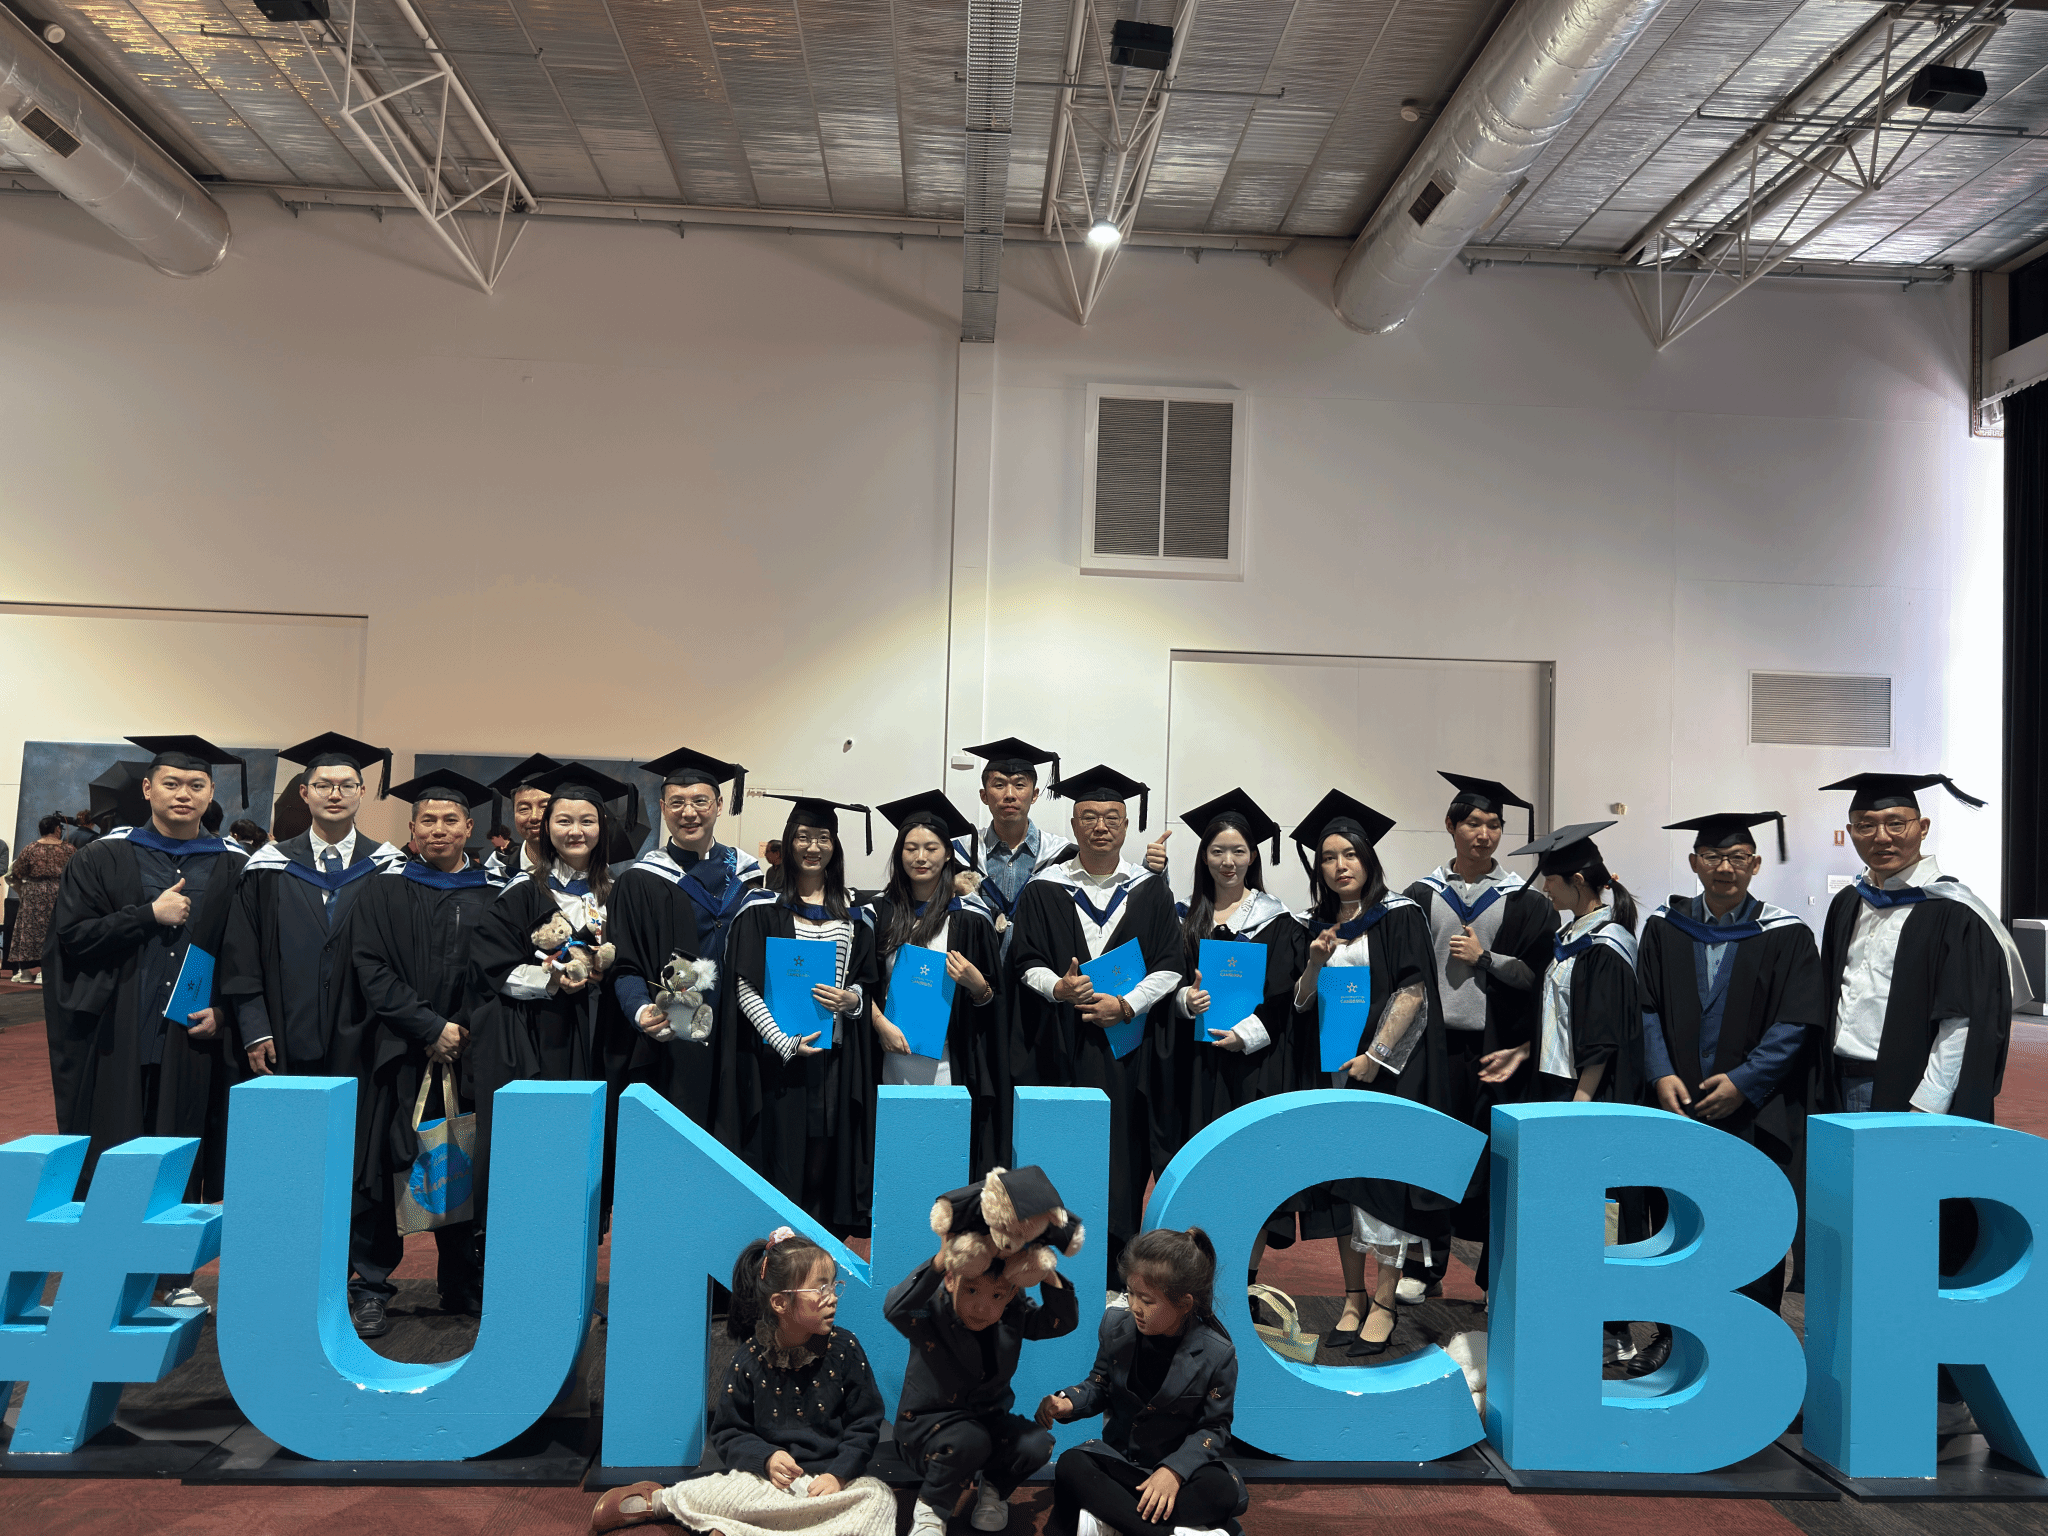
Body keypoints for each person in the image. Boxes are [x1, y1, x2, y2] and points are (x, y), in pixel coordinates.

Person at [1813, 773, 2030, 1431]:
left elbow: (1962, 1024)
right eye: (1866, 825)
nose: (1881, 836)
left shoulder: (1953, 912)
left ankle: (1941, 1393)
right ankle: (1868, 1372)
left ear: (1921, 828)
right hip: (1847, 1088)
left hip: (1910, 1099)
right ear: (1851, 832)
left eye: (1895, 823)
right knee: (1861, 1236)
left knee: (1925, 1236)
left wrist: (1923, 1113)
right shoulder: (1847, 904)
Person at [42, 735, 251, 1233]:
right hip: (120, 1031)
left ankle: (173, 1268)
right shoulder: (101, 857)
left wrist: (225, 1011)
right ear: (147, 788)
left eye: (196, 785)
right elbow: (72, 937)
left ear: (211, 792)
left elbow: (249, 954)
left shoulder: (236, 865)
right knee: (114, 1151)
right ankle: (108, 1255)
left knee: (181, 1152)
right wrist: (147, 915)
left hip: (192, 1038)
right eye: (171, 783)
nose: (183, 794)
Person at [331, 768, 503, 1335]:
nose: (438, 829)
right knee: (387, 1166)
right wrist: (429, 1027)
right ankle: (371, 1284)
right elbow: (369, 966)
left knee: (460, 1158)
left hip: (469, 1054)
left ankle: (462, 1279)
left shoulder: (493, 894)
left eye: (450, 820)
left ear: (469, 828)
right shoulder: (383, 890)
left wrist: (464, 1029)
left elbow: (502, 972)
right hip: (399, 1053)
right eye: (427, 820)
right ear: (412, 828)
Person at [590, 1227, 896, 1536]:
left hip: (832, 1487)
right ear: (780, 1303)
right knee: (727, 1490)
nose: (832, 1298)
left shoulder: (845, 1349)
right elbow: (729, 1433)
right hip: (770, 1487)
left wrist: (838, 1475)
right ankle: (661, 1501)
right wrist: (766, 1458)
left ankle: (739, 1529)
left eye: (833, 1286)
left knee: (878, 1498)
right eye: (820, 1289)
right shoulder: (750, 1360)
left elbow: (865, 1423)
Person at [1639, 811, 1822, 1315]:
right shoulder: (1664, 928)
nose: (1725, 868)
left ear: (1755, 864)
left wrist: (1745, 1081)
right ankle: (1673, 1333)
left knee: (1749, 1221)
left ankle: (1751, 1331)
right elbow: (1645, 1007)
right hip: (1678, 1105)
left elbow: (1797, 1020)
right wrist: (1660, 1072)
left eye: (1738, 858)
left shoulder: (1786, 934)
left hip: (1753, 1112)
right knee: (1678, 1220)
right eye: (1714, 857)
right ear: (1694, 862)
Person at [1486, 821, 1650, 1367]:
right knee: (1566, 1212)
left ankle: (1613, 1332)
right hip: (1560, 1087)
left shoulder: (1608, 945)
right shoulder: (1573, 935)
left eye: (1550, 881)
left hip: (1589, 1099)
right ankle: (1570, 1321)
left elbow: (1602, 1038)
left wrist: (1581, 1104)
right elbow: (1565, 1019)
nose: (1544, 890)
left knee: (1599, 1211)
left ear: (1577, 881)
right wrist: (1524, 1052)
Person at [1008, 765, 1182, 1264]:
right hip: (1059, 1046)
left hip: (1126, 1050)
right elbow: (1025, 962)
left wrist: (1126, 1005)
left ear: (1125, 826)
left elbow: (1170, 964)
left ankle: (1114, 1266)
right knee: (1058, 1150)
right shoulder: (1045, 888)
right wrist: (1058, 987)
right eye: (1088, 816)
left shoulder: (1150, 890)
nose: (1100, 826)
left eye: (1111, 817)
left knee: (1122, 1156)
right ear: (1074, 823)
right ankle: (1050, 1262)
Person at [1288, 790, 1437, 1359]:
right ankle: (1351, 1298)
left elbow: (1414, 990)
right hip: (1330, 1071)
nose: (1340, 865)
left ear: (1369, 858)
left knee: (1381, 1187)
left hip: (1383, 1074)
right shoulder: (1316, 924)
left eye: (1349, 853)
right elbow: (1302, 1002)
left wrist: (1375, 1056)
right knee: (1341, 1188)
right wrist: (1314, 961)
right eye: (1328, 857)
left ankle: (1384, 1301)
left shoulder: (1400, 914)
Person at [1397, 772, 1554, 1302]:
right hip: (1434, 1047)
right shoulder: (1420, 895)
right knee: (1433, 1154)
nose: (1484, 834)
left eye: (1493, 824)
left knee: (1498, 1158)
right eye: (1473, 823)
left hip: (1496, 1049)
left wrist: (1487, 960)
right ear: (1450, 826)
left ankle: (1497, 1277)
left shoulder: (1525, 900)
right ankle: (1426, 1267)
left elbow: (1537, 976)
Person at [467, 763, 635, 1218]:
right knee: (544, 1145)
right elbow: (492, 966)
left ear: (602, 827)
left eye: (587, 821)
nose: (575, 831)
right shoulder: (524, 890)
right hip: (544, 1034)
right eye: (564, 820)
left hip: (604, 1036)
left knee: (593, 1147)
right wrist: (550, 980)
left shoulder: (618, 892)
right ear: (547, 828)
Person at [1162, 789, 1309, 1298]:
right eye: (1218, 850)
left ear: (1253, 857)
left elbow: (1285, 994)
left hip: (1252, 1066)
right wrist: (1185, 1001)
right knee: (1199, 1169)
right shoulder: (1185, 917)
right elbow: (1168, 980)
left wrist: (1246, 1034)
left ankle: (1244, 1285)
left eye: (1238, 851)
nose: (1228, 861)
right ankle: (1197, 1281)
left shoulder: (1277, 921)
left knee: (1250, 1172)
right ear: (1204, 857)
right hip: (1196, 1065)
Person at [886, 1173, 1081, 1536]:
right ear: (951, 1280)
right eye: (972, 1291)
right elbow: (895, 1308)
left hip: (987, 1426)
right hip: (927, 1432)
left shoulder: (1012, 1313)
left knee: (1038, 1443)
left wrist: (1045, 1272)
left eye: (996, 1296)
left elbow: (1060, 1322)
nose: (982, 1307)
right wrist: (940, 1260)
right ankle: (931, 1510)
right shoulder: (932, 1311)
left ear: (1011, 1294)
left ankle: (993, 1490)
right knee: (969, 1439)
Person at [721, 795, 882, 1234]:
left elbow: (865, 980)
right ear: (789, 841)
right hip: (780, 1058)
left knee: (824, 1161)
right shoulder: (761, 906)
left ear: (835, 845)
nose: (813, 847)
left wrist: (853, 1001)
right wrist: (783, 1041)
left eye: (823, 838)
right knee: (782, 1156)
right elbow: (744, 984)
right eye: (804, 837)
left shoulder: (854, 912)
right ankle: (779, 1248)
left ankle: (817, 1251)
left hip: (834, 1060)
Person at [1039, 1226, 1247, 1536]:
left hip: (1177, 1475)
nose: (1135, 1306)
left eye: (1147, 1300)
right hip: (1122, 1464)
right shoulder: (1114, 1325)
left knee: (1222, 1489)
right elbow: (1099, 1385)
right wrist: (1068, 1401)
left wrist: (1174, 1471)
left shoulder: (1217, 1353)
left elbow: (1214, 1428)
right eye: (1131, 1293)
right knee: (1071, 1464)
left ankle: (1111, 1521)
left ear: (1184, 1304)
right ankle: (1165, 1531)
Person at [223, 732, 400, 1083]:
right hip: (284, 1034)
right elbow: (242, 953)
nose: (335, 795)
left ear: (362, 792)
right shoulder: (267, 867)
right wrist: (255, 1027)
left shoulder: (389, 867)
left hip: (368, 1037)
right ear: (304, 793)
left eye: (347, 786)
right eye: (323, 786)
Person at [609, 746, 763, 1133]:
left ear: (719, 805)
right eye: (676, 802)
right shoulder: (641, 881)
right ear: (663, 808)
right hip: (675, 1032)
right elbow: (625, 962)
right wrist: (641, 1010)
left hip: (741, 1030)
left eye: (700, 801)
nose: (688, 812)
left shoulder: (750, 876)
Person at [869, 790, 1007, 1172]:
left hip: (948, 1059)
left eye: (931, 848)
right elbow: (861, 984)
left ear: (948, 854)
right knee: (898, 1157)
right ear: (899, 853)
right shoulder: (879, 913)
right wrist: (879, 1023)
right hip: (891, 1055)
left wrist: (978, 985)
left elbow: (993, 1002)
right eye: (911, 847)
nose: (921, 857)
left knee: (941, 1155)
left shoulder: (970, 918)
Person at [952, 739, 1074, 956]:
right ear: (984, 796)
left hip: (1038, 970)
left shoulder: (1061, 856)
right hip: (976, 969)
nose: (1009, 794)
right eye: (999, 785)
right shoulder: (960, 854)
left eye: (1019, 785)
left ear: (1034, 795)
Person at [7, 816, 74, 986]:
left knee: (29, 931)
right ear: (57, 829)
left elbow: (17, 872)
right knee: (52, 930)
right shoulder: (69, 849)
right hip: (58, 894)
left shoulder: (30, 848)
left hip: (33, 894)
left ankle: (25, 973)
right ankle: (46, 971)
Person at [485, 754, 562, 878]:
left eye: (544, 807)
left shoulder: (583, 871)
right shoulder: (498, 871)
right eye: (524, 809)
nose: (534, 817)